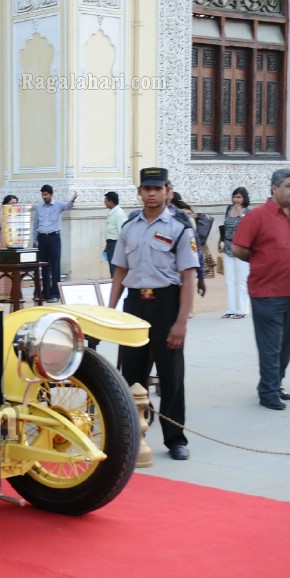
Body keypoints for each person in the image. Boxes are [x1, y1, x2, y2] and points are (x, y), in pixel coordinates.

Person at [108, 167, 198, 461]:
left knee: (171, 375)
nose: (151, 193)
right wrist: (110, 312)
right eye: (146, 188)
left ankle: (175, 439)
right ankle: (132, 435)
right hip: (135, 305)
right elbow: (120, 271)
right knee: (132, 374)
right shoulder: (129, 228)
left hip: (166, 304)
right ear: (139, 192)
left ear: (167, 191)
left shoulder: (180, 227)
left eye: (157, 188)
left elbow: (188, 277)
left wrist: (181, 322)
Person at [232, 169, 290, 411]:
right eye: (289, 185)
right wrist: (263, 260)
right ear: (274, 188)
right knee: (271, 346)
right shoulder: (257, 216)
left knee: (286, 345)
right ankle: (268, 393)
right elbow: (238, 249)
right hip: (267, 291)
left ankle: (275, 384)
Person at [31, 183, 77, 302]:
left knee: (55, 266)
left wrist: (72, 200)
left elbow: (68, 206)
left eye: (46, 194)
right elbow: (35, 223)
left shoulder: (58, 205)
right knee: (44, 266)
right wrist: (35, 239)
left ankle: (55, 293)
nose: (44, 197)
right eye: (42, 195)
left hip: (54, 238)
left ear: (51, 194)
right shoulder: (39, 207)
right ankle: (45, 292)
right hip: (42, 238)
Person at [219, 187, 251, 319]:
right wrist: (220, 242)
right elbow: (225, 227)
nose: (236, 200)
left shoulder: (248, 213)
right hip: (228, 247)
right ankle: (231, 308)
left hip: (242, 248)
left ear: (244, 198)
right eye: (234, 197)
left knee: (241, 280)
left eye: (239, 197)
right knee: (229, 280)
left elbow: (250, 231)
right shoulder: (229, 209)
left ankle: (242, 309)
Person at [0, 194, 19, 299]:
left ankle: (13, 293)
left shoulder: (16, 214)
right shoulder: (1, 213)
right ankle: (3, 294)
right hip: (2, 242)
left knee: (13, 269)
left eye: (16, 203)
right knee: (3, 268)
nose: (14, 205)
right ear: (5, 204)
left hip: (12, 242)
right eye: (12, 203)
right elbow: (4, 227)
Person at [103, 191, 126, 276]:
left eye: (106, 200)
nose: (104, 202)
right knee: (112, 268)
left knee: (115, 269)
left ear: (111, 201)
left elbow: (122, 232)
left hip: (116, 244)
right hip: (111, 244)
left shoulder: (119, 213)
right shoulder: (112, 212)